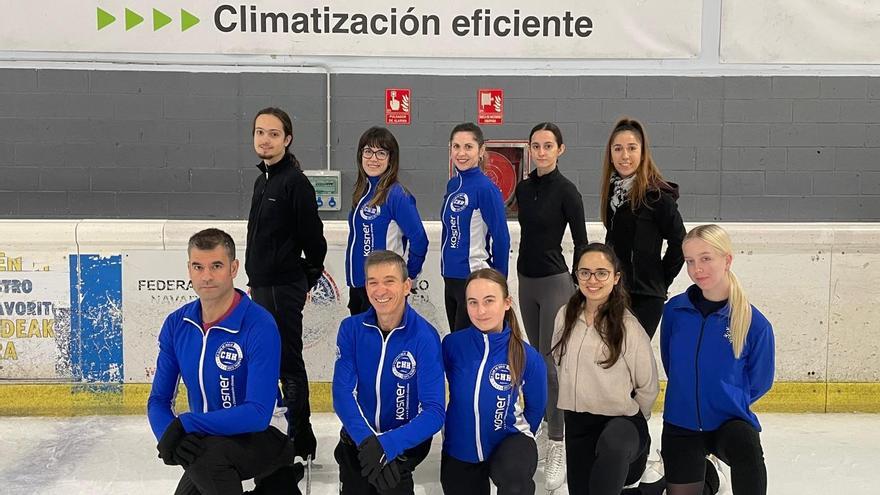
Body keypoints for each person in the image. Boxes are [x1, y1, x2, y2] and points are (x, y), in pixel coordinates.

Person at [148, 228, 301, 495]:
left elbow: (257, 414)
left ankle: (280, 475)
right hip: (208, 440)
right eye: (198, 267)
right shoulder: (177, 324)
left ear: (233, 268)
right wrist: (169, 436)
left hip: (263, 435)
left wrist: (186, 425)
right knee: (202, 462)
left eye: (216, 266)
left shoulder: (259, 324)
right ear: (189, 269)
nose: (206, 276)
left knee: (207, 461)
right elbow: (159, 400)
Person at [660, 224, 775, 495]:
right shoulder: (674, 312)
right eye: (690, 261)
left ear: (728, 259)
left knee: (747, 443)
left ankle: (714, 467)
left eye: (706, 258)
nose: (697, 268)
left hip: (728, 424)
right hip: (681, 422)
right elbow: (672, 365)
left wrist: (724, 398)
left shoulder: (754, 324)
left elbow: (760, 382)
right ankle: (710, 477)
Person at [245, 107, 327, 461]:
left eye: (273, 133)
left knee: (288, 364)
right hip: (261, 286)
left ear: (287, 139)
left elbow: (316, 243)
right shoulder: (262, 180)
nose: (265, 139)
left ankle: (301, 441)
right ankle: (275, 434)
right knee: (268, 361)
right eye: (260, 132)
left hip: (283, 288)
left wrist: (302, 281)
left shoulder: (295, 182)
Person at [332, 250, 446, 495]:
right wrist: (367, 442)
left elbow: (435, 412)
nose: (380, 290)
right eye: (373, 282)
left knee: (392, 483)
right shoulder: (351, 329)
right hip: (359, 442)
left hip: (403, 445)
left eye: (389, 281)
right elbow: (342, 394)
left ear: (407, 286)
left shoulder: (425, 337)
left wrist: (387, 445)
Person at [550, 243, 659, 495]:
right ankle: (656, 489)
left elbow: (648, 386)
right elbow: (559, 362)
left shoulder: (628, 326)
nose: (593, 279)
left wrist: (627, 414)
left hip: (622, 427)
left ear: (616, 277)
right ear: (576, 275)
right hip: (578, 424)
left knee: (611, 451)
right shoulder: (564, 315)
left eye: (601, 272)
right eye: (585, 272)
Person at [514, 122, 588, 487]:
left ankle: (558, 441)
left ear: (560, 149)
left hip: (555, 282)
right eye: (536, 145)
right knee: (536, 359)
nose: (541, 152)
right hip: (525, 281)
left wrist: (581, 286)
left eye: (548, 146)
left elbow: (582, 243)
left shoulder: (567, 192)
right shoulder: (524, 189)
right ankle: (546, 424)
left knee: (552, 364)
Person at [441, 268, 548, 495]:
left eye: (489, 301)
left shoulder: (526, 355)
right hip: (461, 448)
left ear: (507, 302)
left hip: (509, 441)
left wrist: (515, 432)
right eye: (473, 302)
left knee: (515, 484)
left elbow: (537, 408)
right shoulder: (452, 346)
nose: (481, 311)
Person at [600, 117, 686, 338]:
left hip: (645, 297)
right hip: (615, 293)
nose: (624, 156)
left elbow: (679, 242)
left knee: (632, 361)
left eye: (631, 148)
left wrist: (660, 280)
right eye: (618, 149)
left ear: (642, 152)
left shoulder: (657, 196)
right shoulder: (613, 193)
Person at [346, 126, 429, 315]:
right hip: (359, 288)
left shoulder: (396, 195)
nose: (373, 158)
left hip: (382, 291)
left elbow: (419, 241)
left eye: (381, 153)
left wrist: (407, 277)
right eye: (368, 151)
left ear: (391, 158)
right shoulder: (362, 193)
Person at [441, 122, 511, 332]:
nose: (461, 153)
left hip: (474, 278)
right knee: (457, 344)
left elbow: (501, 238)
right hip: (450, 278)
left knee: (472, 349)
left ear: (481, 151)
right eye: (456, 147)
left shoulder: (486, 188)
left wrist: (499, 284)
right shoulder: (453, 185)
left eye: (468, 147)